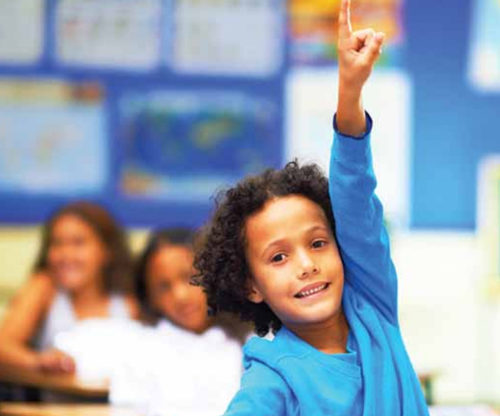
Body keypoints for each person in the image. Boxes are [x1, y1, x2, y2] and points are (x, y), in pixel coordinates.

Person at [193, 0, 430, 414]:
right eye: (279, 256)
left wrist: (350, 92)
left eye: (318, 243)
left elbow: (355, 197)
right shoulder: (271, 376)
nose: (306, 265)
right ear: (251, 285)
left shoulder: (371, 304)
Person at [109, 228, 247, 416]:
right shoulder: (139, 350)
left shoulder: (250, 341)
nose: (180, 296)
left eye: (189, 278)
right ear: (150, 297)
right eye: (164, 287)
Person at [0, 201, 138, 375]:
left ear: (106, 250)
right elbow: (3, 347)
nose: (66, 254)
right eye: (57, 243)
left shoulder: (126, 299)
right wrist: (40, 362)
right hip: (57, 399)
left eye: (78, 243)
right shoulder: (45, 287)